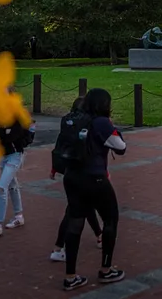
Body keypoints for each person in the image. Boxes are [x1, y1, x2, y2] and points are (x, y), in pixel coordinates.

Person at [60, 88, 126, 290]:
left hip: (72, 176)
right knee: (110, 219)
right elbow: (121, 147)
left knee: (75, 222)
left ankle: (70, 276)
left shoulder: (73, 119)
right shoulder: (101, 123)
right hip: (94, 177)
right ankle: (106, 269)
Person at [49, 98, 103, 262]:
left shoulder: (67, 121)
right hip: (84, 170)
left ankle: (99, 235)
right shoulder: (89, 123)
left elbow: (60, 144)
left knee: (84, 205)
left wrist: (54, 167)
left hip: (69, 168)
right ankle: (58, 248)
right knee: (74, 210)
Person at [0, 100, 34, 238]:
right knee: (12, 185)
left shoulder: (18, 117)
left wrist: (4, 132)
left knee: (2, 187)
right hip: (3, 155)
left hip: (15, 156)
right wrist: (3, 132)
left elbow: (13, 136)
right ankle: (19, 216)